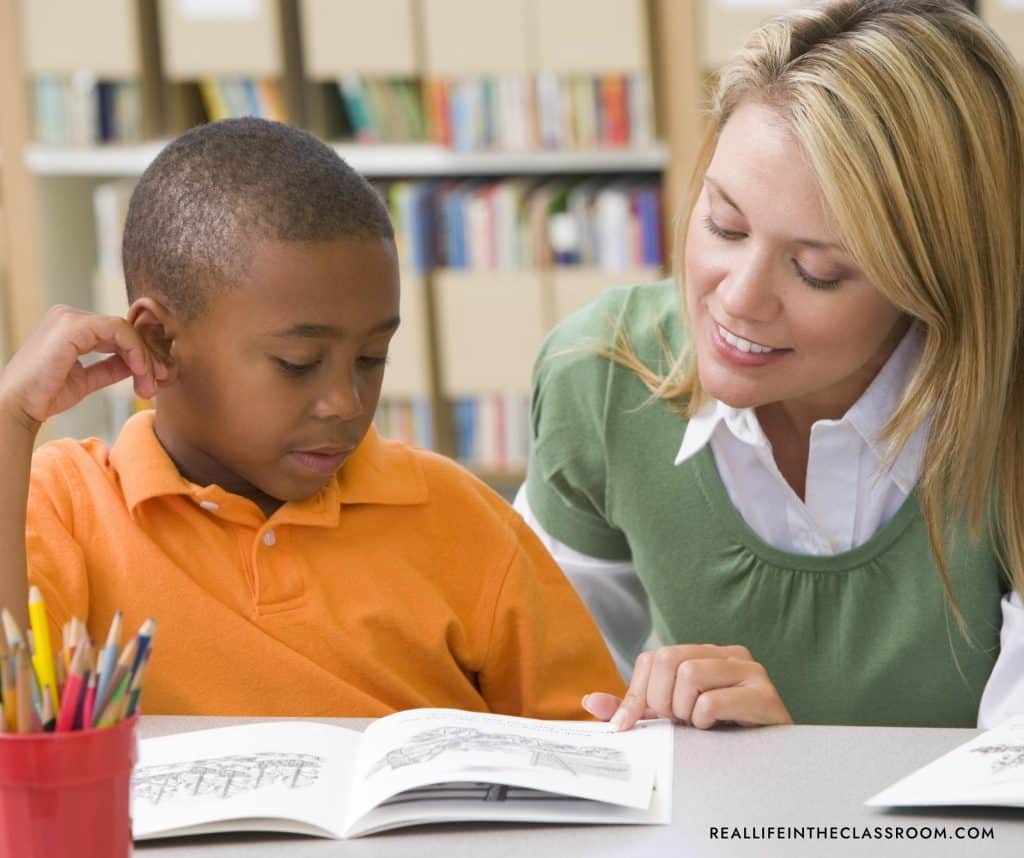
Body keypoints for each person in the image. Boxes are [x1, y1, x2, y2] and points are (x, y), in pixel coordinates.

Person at [0, 117, 624, 718]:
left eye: (371, 358)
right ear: (160, 340)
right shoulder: (61, 508)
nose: (346, 403)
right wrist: (8, 420)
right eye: (298, 363)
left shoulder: (464, 520)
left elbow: (595, 752)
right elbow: (12, 713)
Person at [516, 0, 1024, 730]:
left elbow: (1005, 797)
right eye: (724, 224)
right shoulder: (597, 375)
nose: (740, 300)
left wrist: (795, 774)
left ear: (934, 282)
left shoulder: (1006, 410)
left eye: (817, 271)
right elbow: (538, 704)